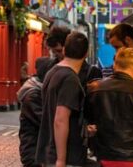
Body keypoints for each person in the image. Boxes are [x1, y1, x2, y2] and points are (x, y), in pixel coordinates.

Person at [37, 31, 90, 167]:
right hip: (65, 156)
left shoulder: (52, 72)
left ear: (65, 50)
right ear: (86, 53)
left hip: (48, 150)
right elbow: (60, 119)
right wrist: (61, 160)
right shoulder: (70, 79)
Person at [17, 57, 54, 167]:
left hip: (39, 150)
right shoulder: (33, 95)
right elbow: (44, 121)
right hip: (33, 151)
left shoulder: (41, 90)